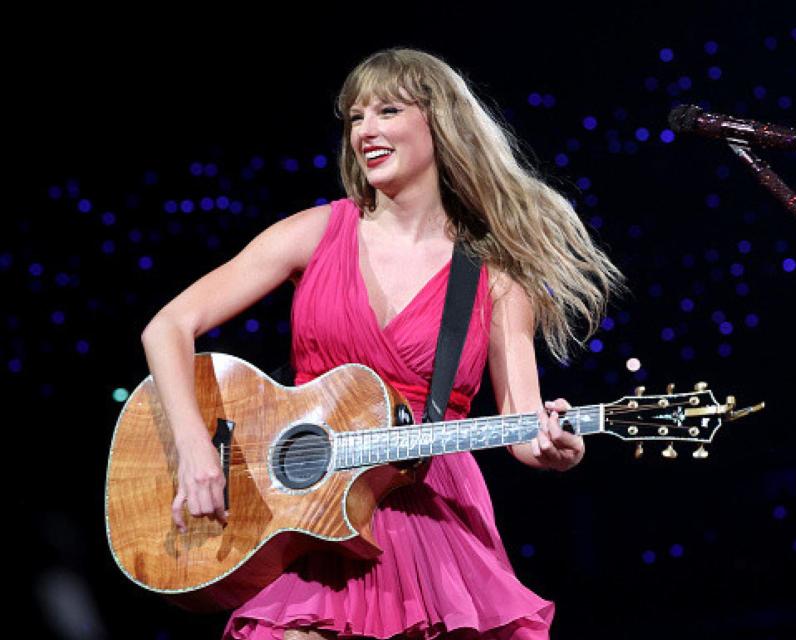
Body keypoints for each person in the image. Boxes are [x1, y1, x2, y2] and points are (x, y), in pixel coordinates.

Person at [141, 48, 622, 640]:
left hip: (429, 514)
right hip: (312, 509)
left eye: (387, 111)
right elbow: (167, 326)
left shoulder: (494, 275)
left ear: (439, 122)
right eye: (355, 118)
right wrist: (193, 450)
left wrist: (554, 446)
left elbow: (522, 423)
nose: (365, 131)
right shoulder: (314, 232)